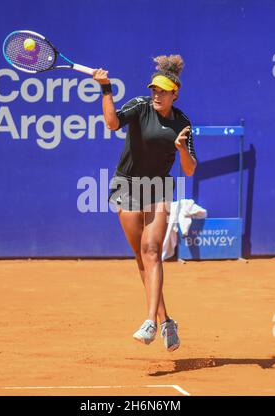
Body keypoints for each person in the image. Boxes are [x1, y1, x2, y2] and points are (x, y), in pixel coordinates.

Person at [93, 55, 197, 352]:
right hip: (126, 185)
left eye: (162, 91)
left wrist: (181, 150)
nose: (156, 94)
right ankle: (167, 322)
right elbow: (112, 123)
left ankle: (150, 320)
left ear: (175, 93)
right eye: (154, 89)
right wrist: (106, 89)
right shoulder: (140, 106)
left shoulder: (183, 123)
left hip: (158, 188)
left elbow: (189, 169)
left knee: (152, 251)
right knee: (142, 258)